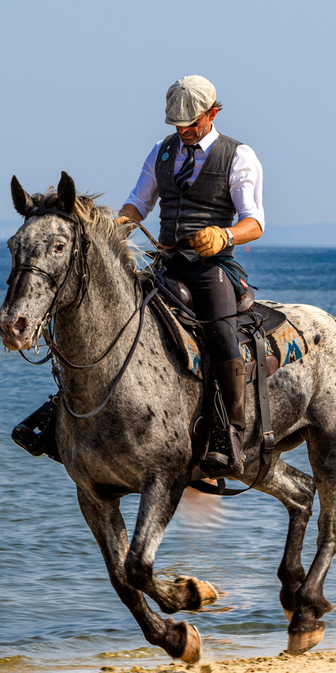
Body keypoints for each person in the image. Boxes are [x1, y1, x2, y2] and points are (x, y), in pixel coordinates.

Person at [115, 75, 264, 475]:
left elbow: (255, 222)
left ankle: (230, 433)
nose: (182, 131)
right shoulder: (161, 153)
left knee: (220, 332)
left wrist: (225, 234)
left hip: (211, 268)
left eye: (190, 124)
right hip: (166, 263)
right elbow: (137, 203)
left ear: (212, 113)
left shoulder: (238, 156)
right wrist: (115, 228)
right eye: (176, 125)